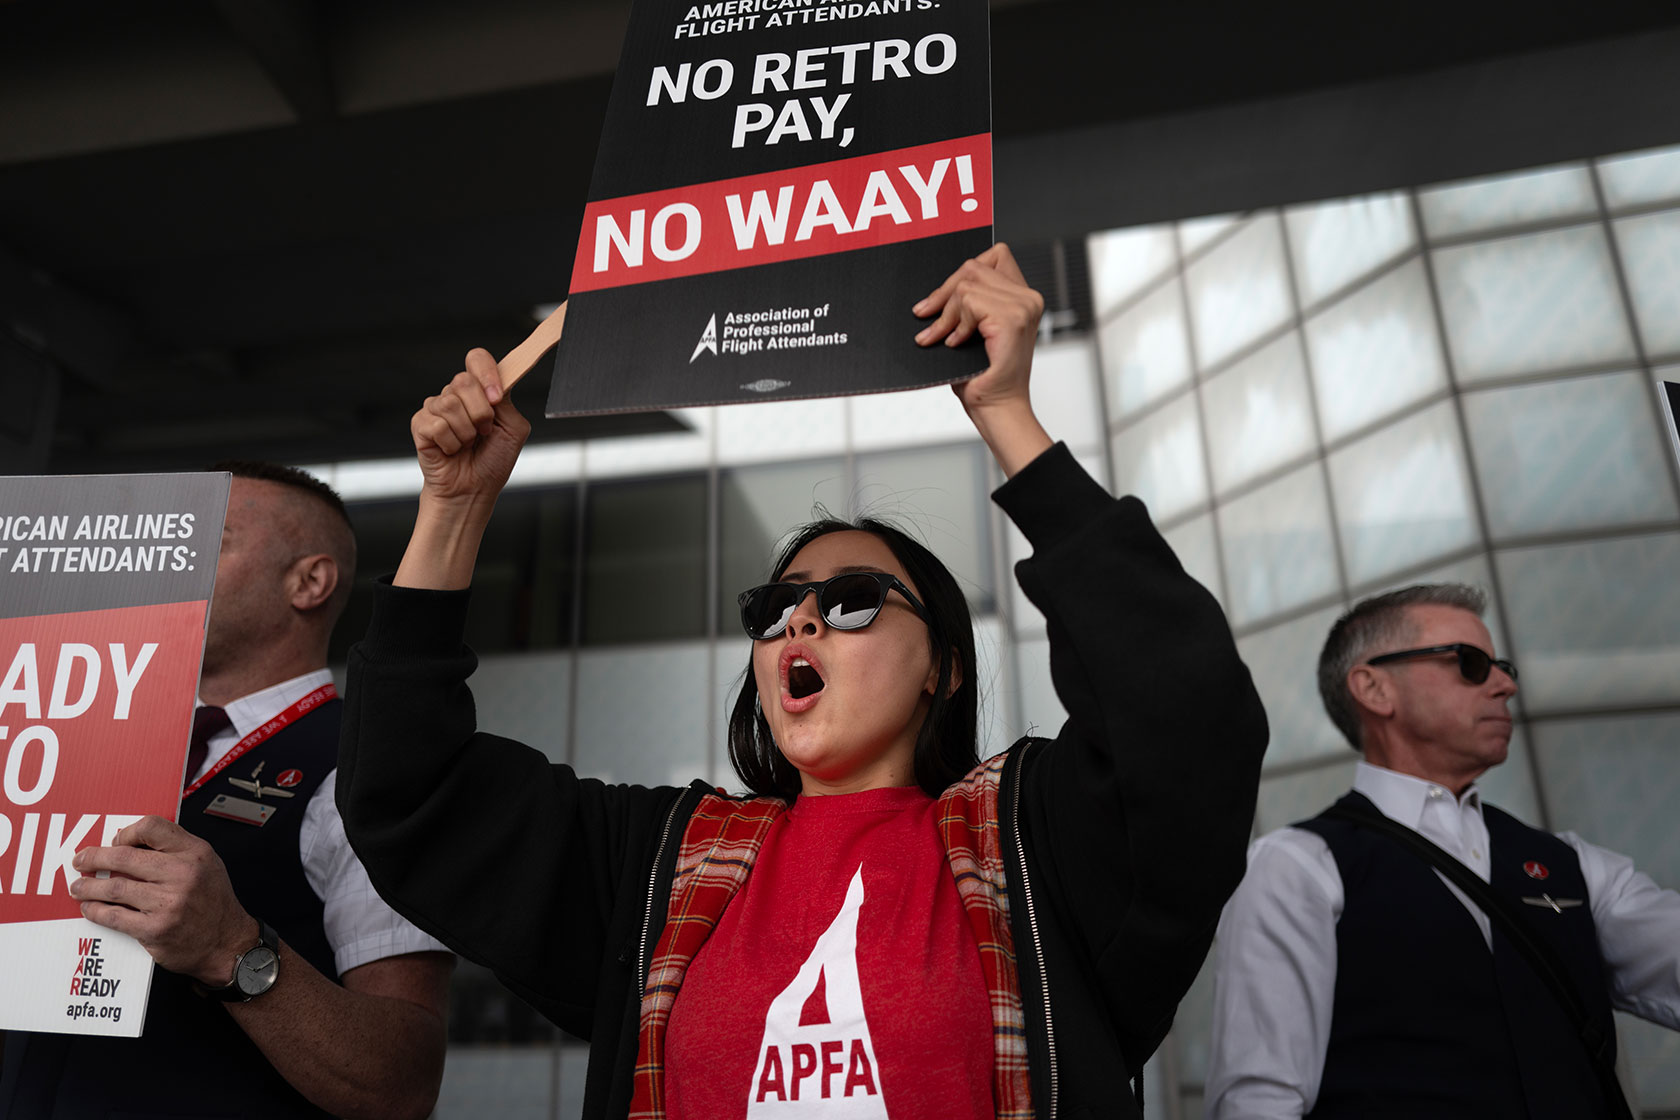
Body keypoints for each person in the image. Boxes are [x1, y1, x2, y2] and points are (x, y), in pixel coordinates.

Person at [336, 245, 1269, 1120]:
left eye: (855, 599)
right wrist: (452, 512)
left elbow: (1186, 716)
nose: (804, 620)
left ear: (944, 665)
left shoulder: (1038, 854)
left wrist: (1008, 416)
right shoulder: (656, 870)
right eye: (775, 609)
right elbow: (411, 793)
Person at [0, 464, 455, 1120]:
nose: (171, 564)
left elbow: (402, 1086)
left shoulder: (371, 773)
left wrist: (230, 947)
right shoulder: (79, 743)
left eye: (210, 540)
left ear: (310, 581)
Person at [1204, 583, 1680, 1119]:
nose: (1503, 685)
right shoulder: (1297, 867)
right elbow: (1259, 1101)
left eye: (1503, 667)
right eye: (1471, 664)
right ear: (1374, 688)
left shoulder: (1576, 867)